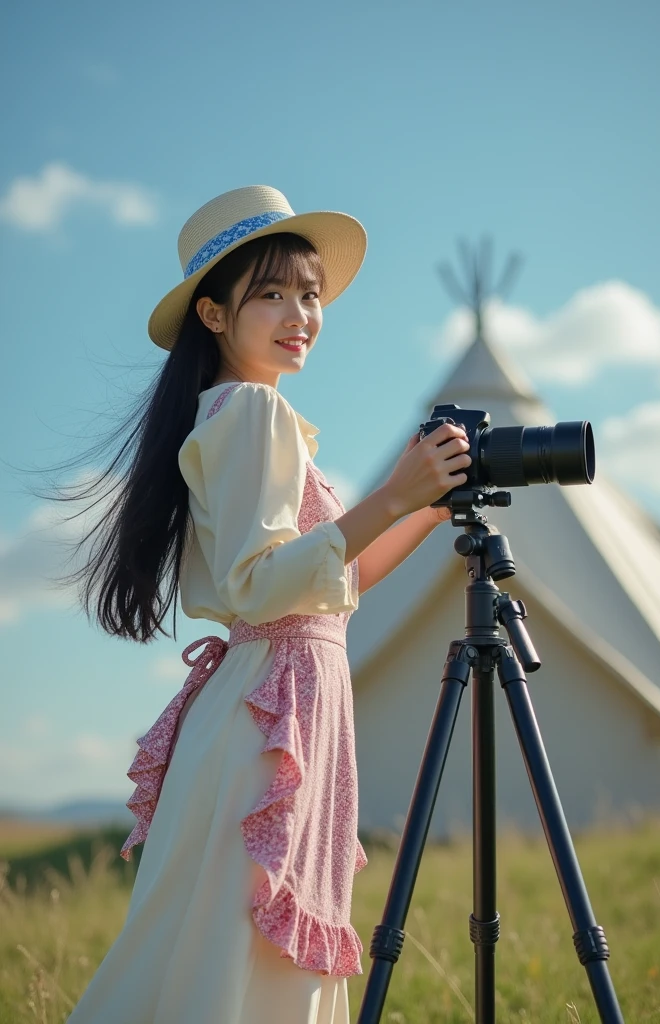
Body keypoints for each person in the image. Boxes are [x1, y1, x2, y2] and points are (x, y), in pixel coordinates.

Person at [65, 184, 471, 1023]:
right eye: (273, 293)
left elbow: (335, 588)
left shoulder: (246, 415)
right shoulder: (252, 412)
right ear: (213, 316)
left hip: (278, 699)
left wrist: (426, 507)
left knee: (222, 949)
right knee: (235, 955)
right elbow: (261, 582)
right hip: (272, 711)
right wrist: (390, 499)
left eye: (311, 293)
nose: (301, 313)